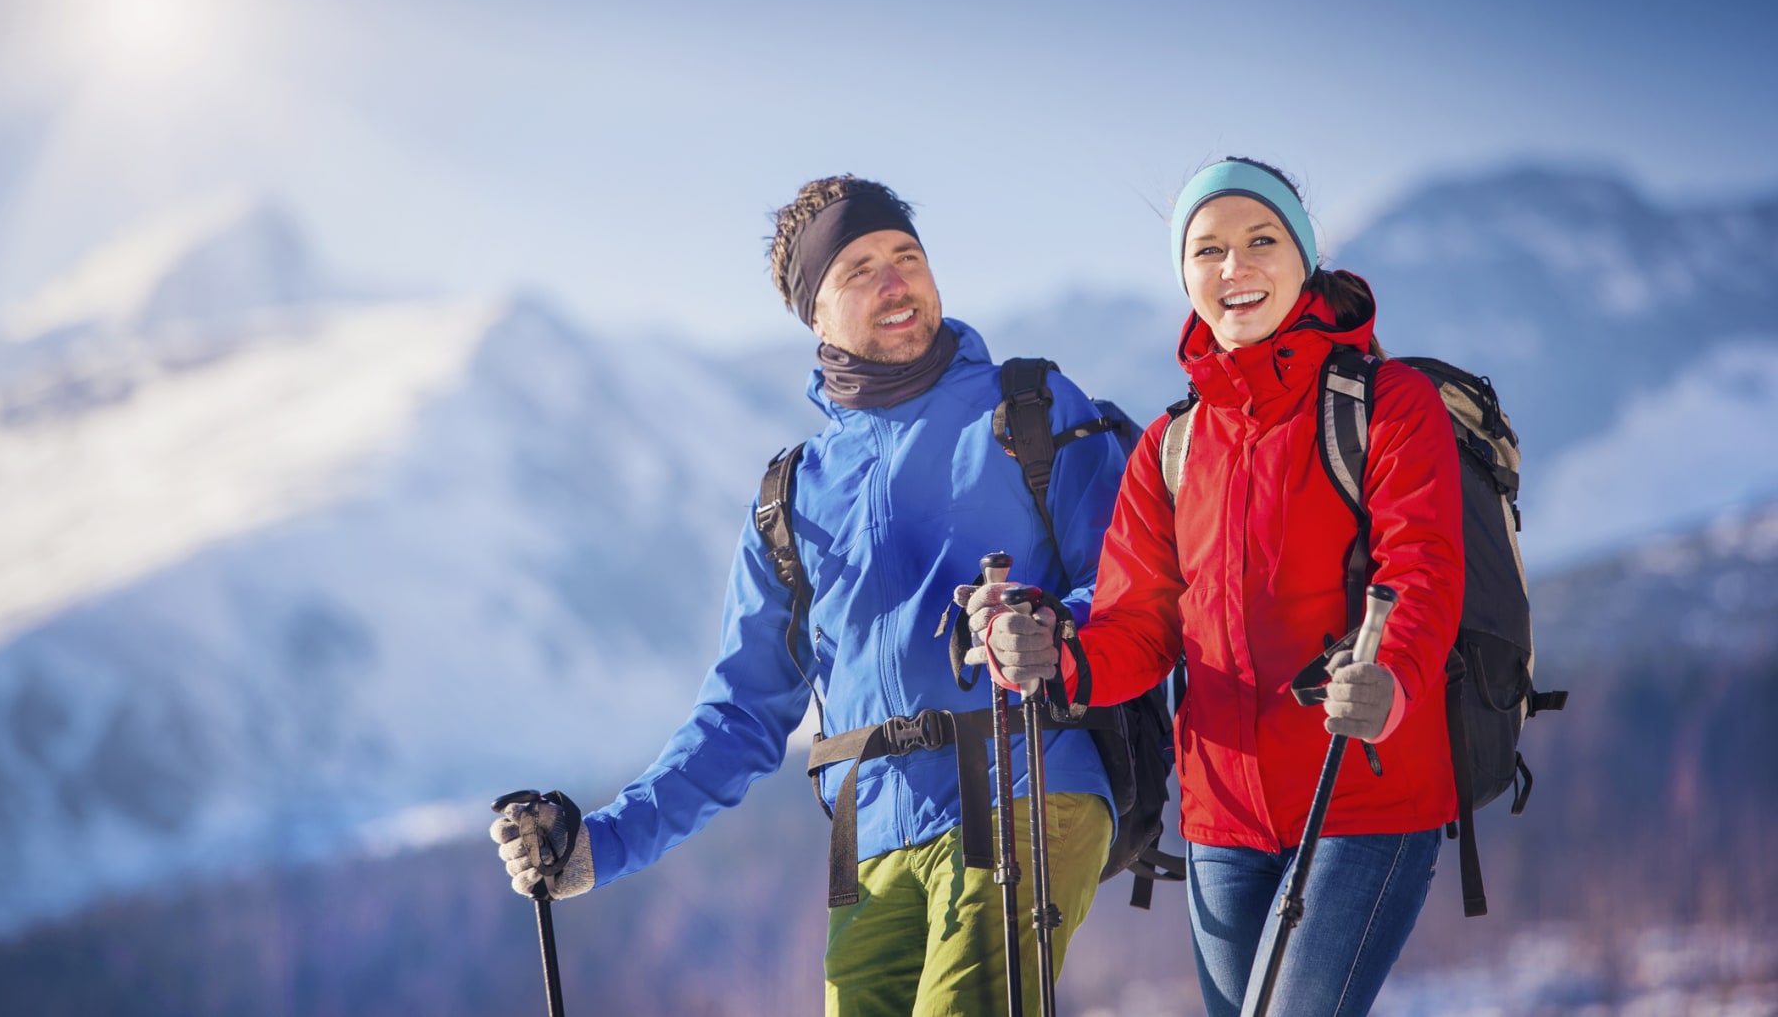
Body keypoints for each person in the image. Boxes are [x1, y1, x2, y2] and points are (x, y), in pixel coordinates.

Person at [491, 175, 1128, 1015]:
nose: (896, 281)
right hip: (869, 846)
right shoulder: (791, 498)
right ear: (815, 316)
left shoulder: (1031, 410)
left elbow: (1129, 582)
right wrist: (596, 847)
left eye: (907, 256)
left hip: (1028, 782)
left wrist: (1053, 628)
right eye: (860, 268)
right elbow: (741, 716)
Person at [970, 157, 1464, 1016]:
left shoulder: (1388, 405)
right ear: (1185, 276)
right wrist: (1053, 653)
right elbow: (1138, 627)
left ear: (1303, 258)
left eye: (1260, 241)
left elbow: (1421, 571)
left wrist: (1392, 680)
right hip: (1221, 820)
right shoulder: (1172, 444)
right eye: (1208, 251)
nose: (1234, 269)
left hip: (1364, 793)